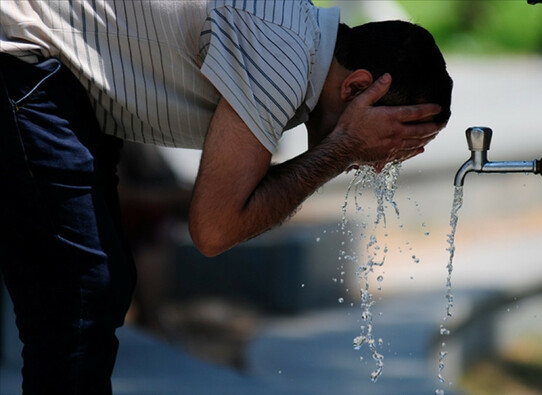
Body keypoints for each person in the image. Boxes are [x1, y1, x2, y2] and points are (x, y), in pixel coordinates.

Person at [0, 0, 452, 393]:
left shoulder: (298, 44)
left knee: (96, 292)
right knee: (82, 294)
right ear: (355, 88)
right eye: (386, 145)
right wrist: (340, 150)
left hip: (64, 80)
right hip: (22, 52)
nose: (376, 164)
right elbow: (214, 229)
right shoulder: (283, 56)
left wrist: (343, 146)